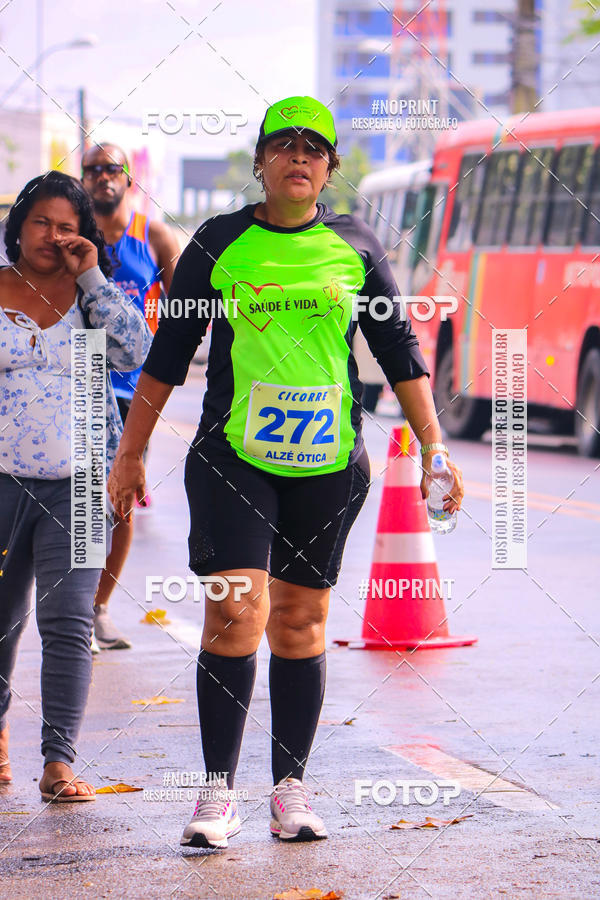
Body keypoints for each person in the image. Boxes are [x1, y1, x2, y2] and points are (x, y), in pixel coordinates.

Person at [107, 95, 464, 847]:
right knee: (237, 613)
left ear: (329, 167)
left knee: (300, 626)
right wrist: (131, 452)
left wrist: (435, 447)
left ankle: (289, 790)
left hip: (329, 464)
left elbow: (400, 354)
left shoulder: (357, 245)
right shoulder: (219, 242)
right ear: (262, 161)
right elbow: (168, 357)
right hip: (234, 458)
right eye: (284, 146)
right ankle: (215, 795)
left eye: (313, 149)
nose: (298, 158)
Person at [0, 171, 152, 800]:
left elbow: (134, 351)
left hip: (81, 484)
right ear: (19, 225)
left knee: (68, 624)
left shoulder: (98, 295)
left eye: (68, 226)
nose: (53, 235)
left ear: (84, 236)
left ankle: (59, 761)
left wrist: (91, 277)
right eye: (41, 221)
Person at [81, 143, 180, 651]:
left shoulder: (153, 235)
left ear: (128, 177)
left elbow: (187, 302)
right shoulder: (73, 234)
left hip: (135, 387)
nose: (102, 177)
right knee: (80, 499)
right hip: (79, 382)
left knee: (119, 499)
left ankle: (97, 608)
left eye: (111, 168)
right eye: (93, 170)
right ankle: (75, 611)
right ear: (83, 179)